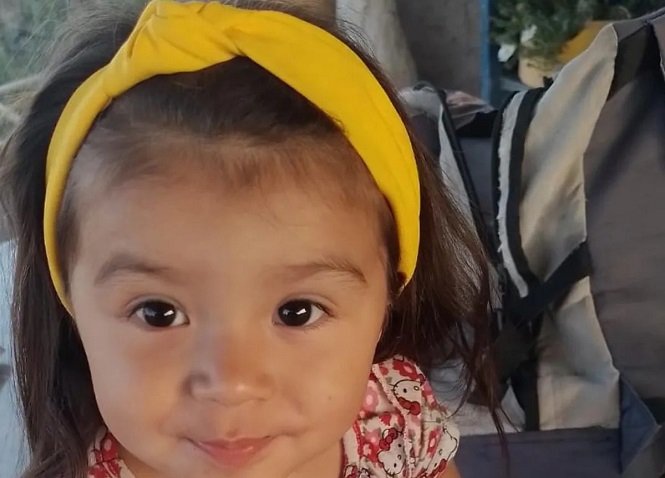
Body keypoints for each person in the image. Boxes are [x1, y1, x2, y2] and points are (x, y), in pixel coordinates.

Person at [0, 1, 501, 476]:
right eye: (158, 312)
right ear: (69, 304)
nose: (231, 383)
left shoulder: (392, 419)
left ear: (389, 294)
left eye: (297, 311)